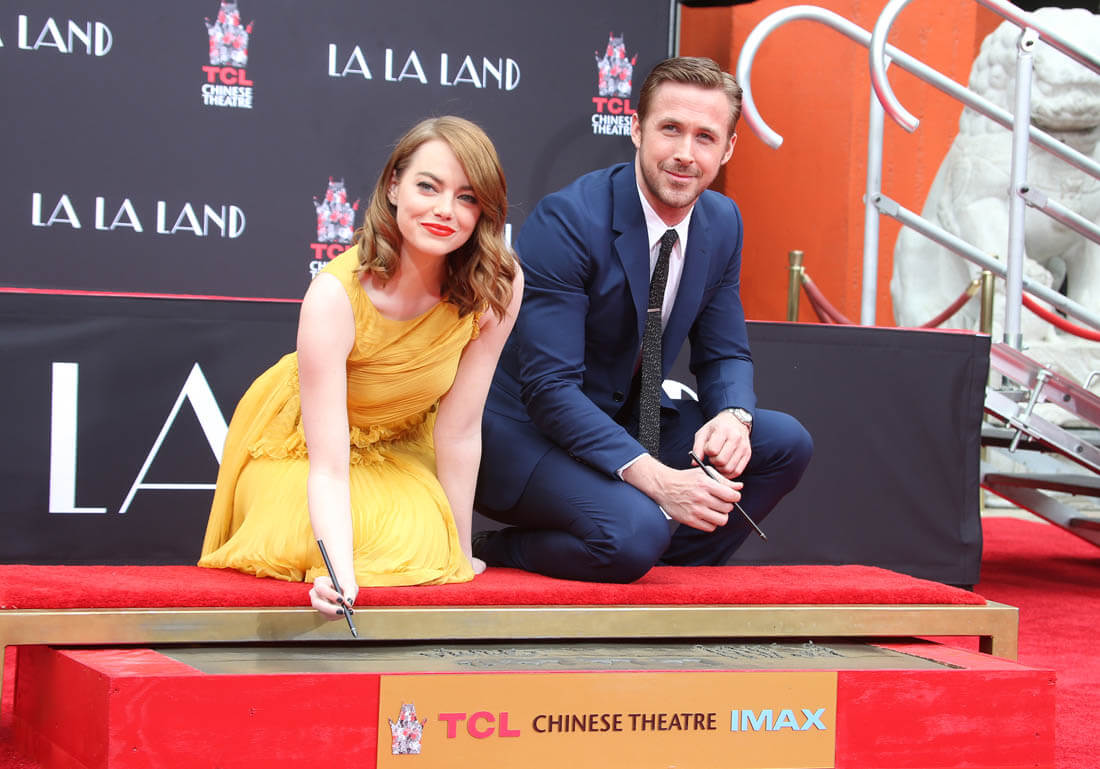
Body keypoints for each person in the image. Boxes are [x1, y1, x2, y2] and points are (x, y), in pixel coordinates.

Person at [473, 57, 812, 583]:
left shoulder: (722, 221)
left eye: (705, 137)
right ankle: (496, 548)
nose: (685, 153)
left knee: (782, 442)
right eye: (670, 129)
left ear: (727, 149)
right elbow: (549, 390)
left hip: (629, 419)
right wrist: (659, 481)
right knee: (632, 531)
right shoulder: (570, 220)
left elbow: (724, 352)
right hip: (526, 434)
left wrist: (733, 418)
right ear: (636, 129)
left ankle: (665, 571)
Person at [199, 116, 522, 619]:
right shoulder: (335, 295)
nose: (445, 210)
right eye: (428, 187)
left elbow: (458, 432)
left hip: (398, 447)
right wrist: (338, 571)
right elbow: (328, 467)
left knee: (419, 538)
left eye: (467, 197)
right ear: (393, 186)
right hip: (300, 450)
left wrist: (458, 553)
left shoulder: (497, 284)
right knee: (358, 534)